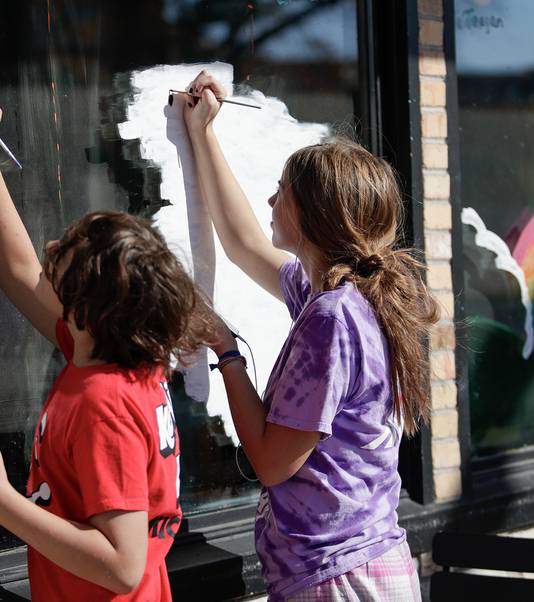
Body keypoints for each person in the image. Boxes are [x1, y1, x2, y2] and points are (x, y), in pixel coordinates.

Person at [0, 87, 218, 601]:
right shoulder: (120, 359)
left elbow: (123, 566)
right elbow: (19, 273)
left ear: (88, 308)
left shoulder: (103, 401)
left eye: (65, 254)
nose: (49, 248)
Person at [181, 70, 439, 601]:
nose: (271, 202)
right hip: (351, 569)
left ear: (315, 218)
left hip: (340, 581)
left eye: (281, 194)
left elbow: (274, 462)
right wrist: (204, 132)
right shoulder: (346, 297)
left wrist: (226, 350)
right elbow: (242, 242)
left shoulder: (333, 318)